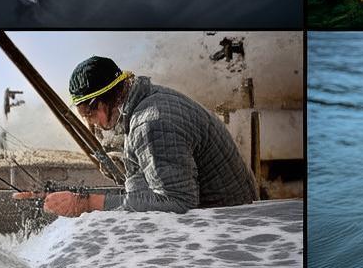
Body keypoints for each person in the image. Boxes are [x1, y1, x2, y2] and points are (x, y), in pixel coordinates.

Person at [14, 56, 258, 217]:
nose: (91, 122)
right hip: (232, 213)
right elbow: (147, 187)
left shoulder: (151, 122)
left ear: (101, 103)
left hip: (231, 225)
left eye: (88, 114)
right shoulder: (148, 100)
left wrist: (84, 204)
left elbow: (178, 204)